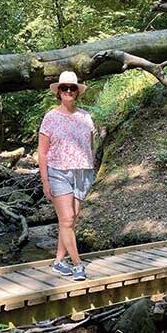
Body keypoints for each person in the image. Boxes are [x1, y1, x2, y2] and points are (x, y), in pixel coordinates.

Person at [38, 71, 95, 281]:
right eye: (65, 88)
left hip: (82, 172)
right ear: (59, 92)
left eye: (72, 88)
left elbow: (90, 145)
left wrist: (91, 166)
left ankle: (58, 261)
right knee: (68, 219)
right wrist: (45, 181)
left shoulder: (86, 117)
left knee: (70, 221)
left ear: (77, 92)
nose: (68, 91)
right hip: (58, 172)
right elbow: (42, 152)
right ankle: (77, 265)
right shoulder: (50, 118)